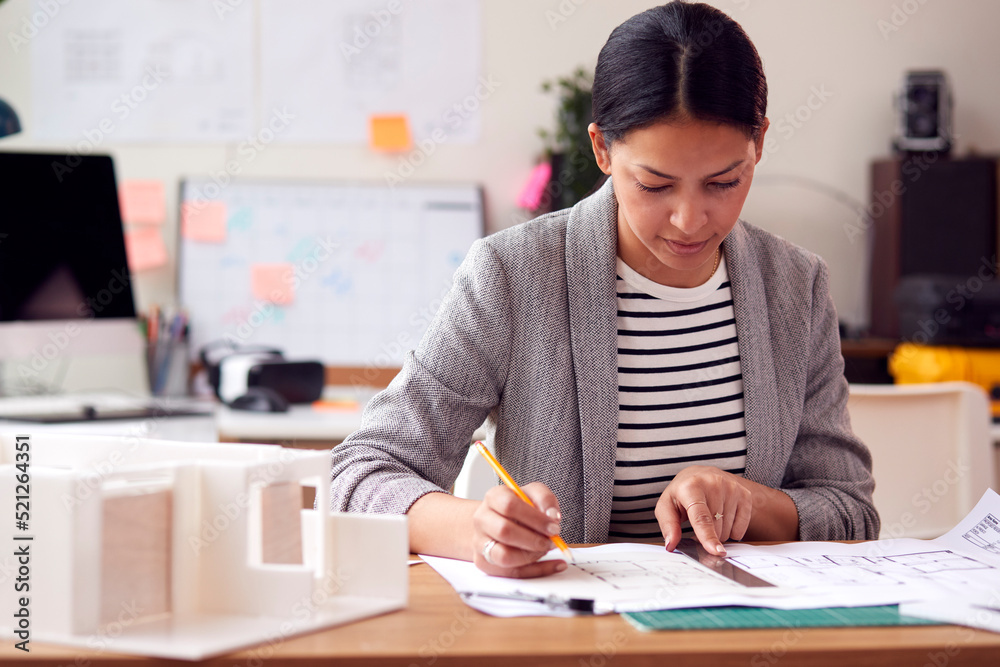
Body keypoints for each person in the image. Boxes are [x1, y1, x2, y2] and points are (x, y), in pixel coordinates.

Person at [329, 1, 879, 579]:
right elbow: (359, 471)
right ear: (602, 151)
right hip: (574, 628)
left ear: (759, 143)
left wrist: (750, 501)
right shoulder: (515, 274)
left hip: (745, 630)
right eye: (654, 184)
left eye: (724, 181)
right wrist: (481, 529)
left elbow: (850, 511)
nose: (690, 219)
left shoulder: (795, 287)